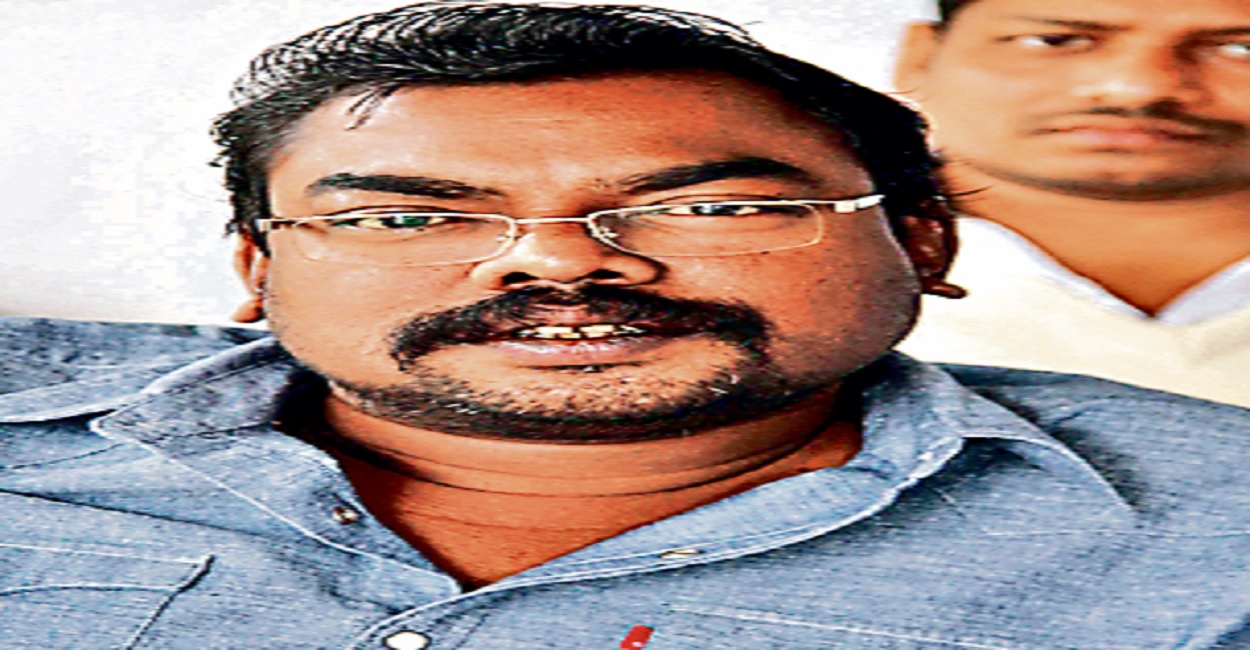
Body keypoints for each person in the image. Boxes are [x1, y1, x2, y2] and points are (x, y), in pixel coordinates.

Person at [3, 3, 1249, 648]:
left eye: (709, 205)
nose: (556, 259)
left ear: (924, 242)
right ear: (257, 265)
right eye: (406, 215)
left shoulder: (1216, 529)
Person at [894, 0, 1250, 407]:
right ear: (921, 56)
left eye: (1241, 49)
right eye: (1054, 40)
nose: (1138, 88)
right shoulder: (839, 274)